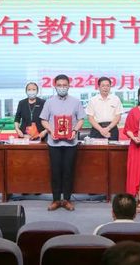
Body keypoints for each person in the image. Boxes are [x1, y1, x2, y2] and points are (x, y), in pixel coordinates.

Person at [40, 74, 86, 211]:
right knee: (55, 171)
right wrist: (51, 130)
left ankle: (66, 200)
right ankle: (55, 200)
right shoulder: (49, 102)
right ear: (55, 86)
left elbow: (81, 119)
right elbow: (43, 120)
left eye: (64, 85)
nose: (62, 87)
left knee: (68, 171)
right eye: (59, 85)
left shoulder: (76, 102)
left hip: (71, 143)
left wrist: (75, 130)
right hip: (54, 143)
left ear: (69, 86)